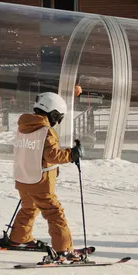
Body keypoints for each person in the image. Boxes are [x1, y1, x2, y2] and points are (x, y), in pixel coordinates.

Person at [6, 92, 83, 261]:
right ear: (52, 113)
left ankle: (19, 238)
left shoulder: (23, 127)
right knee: (54, 213)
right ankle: (63, 249)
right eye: (58, 117)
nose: (57, 121)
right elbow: (52, 156)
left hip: (23, 178)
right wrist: (72, 154)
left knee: (29, 208)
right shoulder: (46, 131)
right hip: (40, 181)